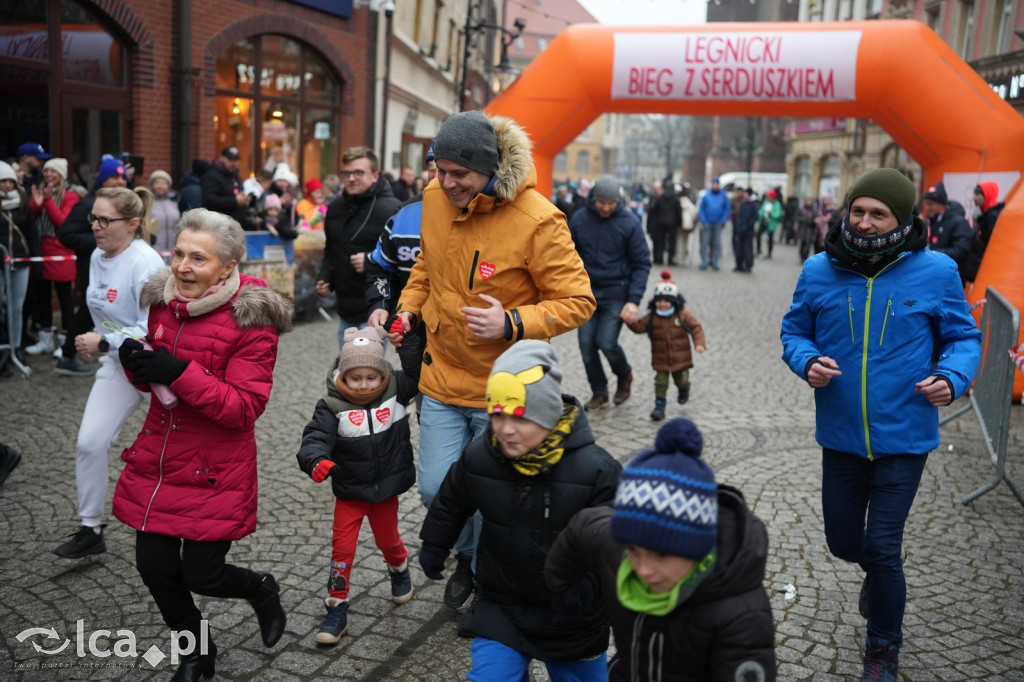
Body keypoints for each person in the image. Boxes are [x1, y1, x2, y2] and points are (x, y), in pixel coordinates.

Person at [369, 110, 595, 611]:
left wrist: (511, 323)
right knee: (435, 490)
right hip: (442, 376)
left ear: (490, 168)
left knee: (496, 495)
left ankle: (477, 570)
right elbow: (429, 262)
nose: (446, 183)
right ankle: (470, 554)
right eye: (439, 169)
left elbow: (579, 301)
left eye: (459, 174)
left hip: (505, 387)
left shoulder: (539, 219)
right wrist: (406, 310)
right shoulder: (433, 196)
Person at [780, 168, 981, 682]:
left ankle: (882, 651)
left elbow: (964, 337)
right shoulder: (819, 270)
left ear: (904, 218)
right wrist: (806, 361)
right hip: (842, 434)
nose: (865, 223)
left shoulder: (937, 271)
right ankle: (871, 569)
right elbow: (794, 329)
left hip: (905, 436)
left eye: (879, 213)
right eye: (858, 211)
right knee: (844, 543)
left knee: (884, 548)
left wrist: (952, 376)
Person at [113, 208, 293, 680]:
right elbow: (156, 387)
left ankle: (259, 588)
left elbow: (244, 408)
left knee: (201, 573)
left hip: (215, 464)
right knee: (153, 565)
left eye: (199, 258)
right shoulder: (161, 301)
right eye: (179, 254)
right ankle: (197, 651)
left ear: (228, 267)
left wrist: (178, 372)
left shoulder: (252, 317)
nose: (183, 267)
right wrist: (140, 366)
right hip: (161, 457)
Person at [418, 340, 622, 680]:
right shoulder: (481, 455)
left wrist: (590, 595)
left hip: (572, 616)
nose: (506, 429)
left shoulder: (597, 471)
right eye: (496, 415)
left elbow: (619, 549)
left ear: (548, 415)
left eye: (519, 418)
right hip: (503, 603)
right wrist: (434, 545)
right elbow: (452, 500)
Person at [545, 418, 777, 682]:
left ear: (697, 547)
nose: (643, 569)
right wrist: (567, 592)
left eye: (662, 555)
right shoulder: (615, 547)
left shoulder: (742, 615)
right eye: (633, 550)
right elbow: (581, 528)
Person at [51, 187, 166, 558]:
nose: (96, 227)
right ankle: (91, 529)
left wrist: (103, 342)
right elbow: (102, 310)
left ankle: (184, 531)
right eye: (93, 219)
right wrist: (104, 342)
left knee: (178, 450)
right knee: (89, 442)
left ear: (132, 224)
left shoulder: (144, 263)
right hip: (119, 365)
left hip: (154, 367)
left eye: (105, 220)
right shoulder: (99, 256)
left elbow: (152, 329)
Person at [295, 324, 424, 644]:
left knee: (389, 542)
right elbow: (315, 438)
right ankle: (336, 608)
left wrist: (407, 344)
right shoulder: (331, 406)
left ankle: (399, 568)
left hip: (385, 492)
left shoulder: (396, 391)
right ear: (343, 375)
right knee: (342, 550)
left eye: (371, 377)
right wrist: (315, 460)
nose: (364, 385)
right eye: (355, 378)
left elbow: (418, 373)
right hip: (350, 492)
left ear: (383, 375)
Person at [569, 174, 651, 411]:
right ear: (593, 199)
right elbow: (568, 256)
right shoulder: (580, 219)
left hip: (617, 293)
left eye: (610, 203)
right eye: (601, 202)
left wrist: (633, 301)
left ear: (618, 201)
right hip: (586, 294)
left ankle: (624, 374)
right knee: (586, 345)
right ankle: (599, 392)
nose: (605, 208)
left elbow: (642, 263)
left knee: (606, 342)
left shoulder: (630, 223)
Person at [316, 146, 401, 347]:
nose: (351, 178)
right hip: (345, 309)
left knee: (366, 372)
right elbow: (331, 250)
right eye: (347, 173)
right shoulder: (336, 208)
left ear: (374, 175)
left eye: (358, 172)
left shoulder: (392, 208)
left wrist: (371, 260)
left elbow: (403, 260)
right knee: (348, 371)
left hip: (375, 310)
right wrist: (325, 277)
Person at [52, 158, 130, 375]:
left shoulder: (123, 206)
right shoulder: (88, 205)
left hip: (116, 268)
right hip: (92, 269)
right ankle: (67, 355)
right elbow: (67, 234)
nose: (120, 181)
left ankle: (100, 348)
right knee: (89, 311)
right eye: (114, 176)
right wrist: (102, 239)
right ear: (103, 180)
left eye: (123, 177)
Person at [364, 144, 438, 316]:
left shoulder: (485, 216)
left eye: (455, 171)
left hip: (465, 336)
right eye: (433, 168)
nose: (441, 177)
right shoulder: (404, 214)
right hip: (409, 329)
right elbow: (381, 267)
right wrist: (379, 306)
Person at [625, 270, 706, 421]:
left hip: (681, 359)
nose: (662, 304)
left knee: (681, 380)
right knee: (661, 382)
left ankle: (684, 388)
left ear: (674, 301)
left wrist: (699, 344)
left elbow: (696, 327)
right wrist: (629, 322)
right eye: (659, 301)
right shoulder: (652, 317)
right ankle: (659, 406)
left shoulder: (682, 315)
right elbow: (639, 327)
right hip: (660, 358)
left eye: (666, 301)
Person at [25, 158, 78, 357]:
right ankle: (45, 340)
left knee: (65, 299)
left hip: (61, 252)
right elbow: (32, 217)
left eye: (53, 171)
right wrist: (38, 203)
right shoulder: (39, 191)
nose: (48, 174)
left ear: (61, 175)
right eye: (46, 170)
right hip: (41, 251)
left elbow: (63, 223)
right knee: (42, 297)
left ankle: (66, 342)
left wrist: (47, 201)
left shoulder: (71, 196)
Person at [1, 160, 37, 369]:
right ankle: (3, 351)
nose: (7, 185)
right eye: (3, 181)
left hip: (21, 263)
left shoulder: (22, 200)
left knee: (16, 309)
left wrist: (35, 259)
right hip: (0, 264)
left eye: (10, 181)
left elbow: (32, 233)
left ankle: (15, 348)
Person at [920, 181, 972, 285]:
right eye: (926, 204)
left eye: (930, 204)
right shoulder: (930, 220)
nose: (927, 208)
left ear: (942, 204)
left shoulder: (958, 222)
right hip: (933, 275)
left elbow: (961, 250)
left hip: (951, 279)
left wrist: (932, 255)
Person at [963, 181, 1003, 285]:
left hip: (983, 271)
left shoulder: (991, 217)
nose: (974, 197)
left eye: (978, 194)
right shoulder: (987, 215)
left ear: (987, 194)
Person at [201, 146, 251, 227]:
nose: (233, 163)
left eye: (236, 160)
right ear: (221, 158)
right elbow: (209, 201)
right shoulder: (211, 176)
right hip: (218, 227)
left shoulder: (235, 175)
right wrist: (234, 200)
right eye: (230, 159)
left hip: (235, 225)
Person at [697, 176, 730, 271]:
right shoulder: (706, 196)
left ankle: (715, 261)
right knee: (704, 243)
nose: (715, 186)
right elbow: (701, 209)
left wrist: (723, 220)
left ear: (719, 185)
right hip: (707, 223)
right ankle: (704, 260)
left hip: (718, 223)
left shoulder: (723, 196)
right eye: (713, 184)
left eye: (716, 184)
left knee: (717, 243)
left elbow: (726, 209)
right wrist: (703, 220)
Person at [647, 178, 682, 266]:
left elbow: (653, 209)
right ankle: (670, 259)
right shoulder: (675, 198)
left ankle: (659, 259)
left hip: (661, 222)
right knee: (672, 242)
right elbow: (679, 212)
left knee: (660, 242)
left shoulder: (660, 198)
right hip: (672, 223)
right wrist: (679, 223)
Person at [148, 170, 180, 258]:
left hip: (173, 249)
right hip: (154, 249)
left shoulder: (174, 200)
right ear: (151, 185)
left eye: (164, 183)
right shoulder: (147, 201)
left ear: (168, 186)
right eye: (157, 183)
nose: (161, 186)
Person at [733, 187, 758, 272]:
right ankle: (739, 264)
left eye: (746, 194)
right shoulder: (743, 204)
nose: (744, 195)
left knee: (748, 249)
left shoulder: (753, 205)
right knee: (739, 249)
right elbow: (740, 216)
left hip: (748, 231)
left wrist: (747, 226)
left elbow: (755, 217)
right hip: (741, 230)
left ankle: (748, 265)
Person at [756, 189, 783, 259]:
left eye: (770, 196)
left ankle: (769, 253)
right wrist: (761, 214)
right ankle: (758, 250)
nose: (768, 197)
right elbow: (761, 210)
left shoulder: (777, 204)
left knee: (770, 239)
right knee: (758, 234)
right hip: (764, 222)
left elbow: (778, 214)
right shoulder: (766, 202)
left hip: (771, 224)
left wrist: (771, 214)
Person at [678, 184, 698, 266]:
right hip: (687, 226)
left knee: (678, 242)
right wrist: (693, 225)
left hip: (679, 226)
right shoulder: (689, 203)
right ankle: (683, 257)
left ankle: (678, 258)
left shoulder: (678, 201)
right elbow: (695, 214)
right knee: (685, 242)